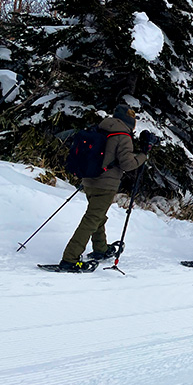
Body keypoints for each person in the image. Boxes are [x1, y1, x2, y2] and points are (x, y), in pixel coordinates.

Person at [58, 105, 148, 271]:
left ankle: (101, 249)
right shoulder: (123, 136)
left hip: (89, 180)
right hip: (106, 185)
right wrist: (144, 154)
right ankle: (69, 259)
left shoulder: (102, 128)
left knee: (97, 216)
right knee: (92, 219)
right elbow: (128, 164)